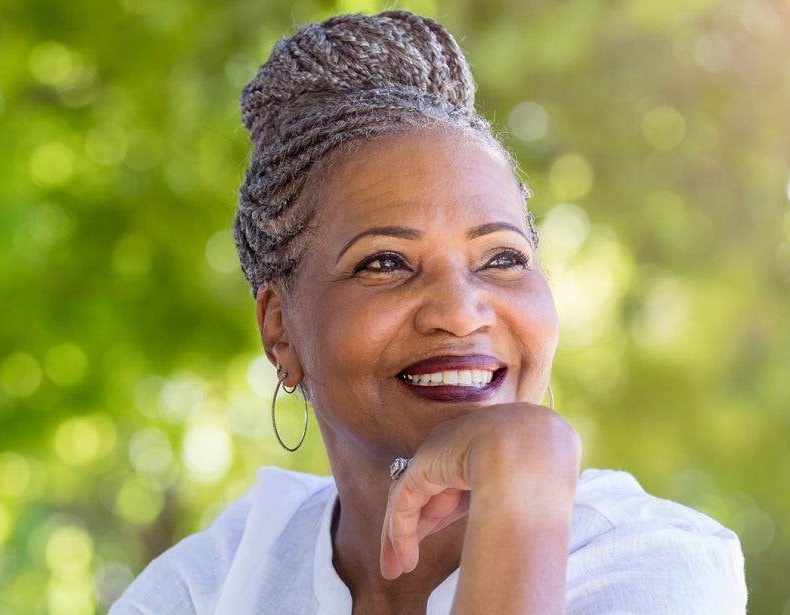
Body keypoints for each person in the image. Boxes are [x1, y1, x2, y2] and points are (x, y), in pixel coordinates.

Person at [111, 10, 746, 614]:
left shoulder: (651, 560)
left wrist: (525, 481)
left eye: (501, 259)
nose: (462, 313)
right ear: (280, 330)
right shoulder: (212, 586)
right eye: (385, 262)